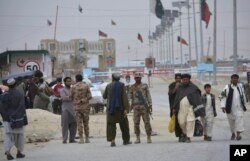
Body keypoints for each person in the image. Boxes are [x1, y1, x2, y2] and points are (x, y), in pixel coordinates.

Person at [0, 78, 28, 160]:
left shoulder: (3, 95)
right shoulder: (19, 94)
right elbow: (22, 107)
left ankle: (8, 153)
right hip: (18, 119)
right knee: (20, 136)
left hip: (7, 119)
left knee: (8, 136)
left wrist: (5, 117)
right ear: (15, 85)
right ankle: (19, 152)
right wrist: (20, 117)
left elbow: (2, 108)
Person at [172, 73, 204, 143]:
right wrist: (174, 108)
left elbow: (198, 99)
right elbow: (176, 98)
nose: (185, 81)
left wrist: (200, 110)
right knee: (181, 122)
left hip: (190, 108)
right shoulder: (180, 88)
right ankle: (184, 133)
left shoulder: (194, 88)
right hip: (181, 109)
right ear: (182, 80)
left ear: (189, 80)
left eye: (186, 79)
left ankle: (188, 137)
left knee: (190, 121)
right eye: (184, 80)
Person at [103, 73, 131, 147]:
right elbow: (124, 98)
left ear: (112, 78)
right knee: (124, 125)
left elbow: (104, 96)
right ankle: (126, 141)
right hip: (120, 109)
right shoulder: (122, 85)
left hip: (110, 110)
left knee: (111, 125)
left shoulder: (108, 86)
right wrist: (126, 109)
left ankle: (112, 141)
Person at [220, 74, 247, 140]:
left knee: (239, 121)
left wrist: (244, 105)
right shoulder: (227, 87)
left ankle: (238, 135)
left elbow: (243, 96)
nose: (235, 79)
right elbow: (222, 96)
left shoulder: (240, 87)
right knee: (231, 122)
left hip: (239, 108)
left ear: (238, 79)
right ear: (231, 79)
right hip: (230, 108)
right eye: (234, 78)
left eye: (236, 78)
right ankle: (233, 133)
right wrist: (223, 106)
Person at [129, 72, 153, 144]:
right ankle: (138, 138)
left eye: (139, 78)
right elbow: (129, 97)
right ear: (134, 78)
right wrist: (130, 105)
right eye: (136, 78)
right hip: (136, 107)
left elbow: (148, 95)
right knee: (136, 123)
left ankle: (148, 137)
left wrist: (150, 104)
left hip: (144, 106)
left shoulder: (145, 86)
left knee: (147, 122)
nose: (137, 79)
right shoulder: (132, 87)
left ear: (141, 78)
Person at [70, 74, 92, 144]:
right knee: (86, 123)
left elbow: (70, 97)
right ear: (82, 79)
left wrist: (76, 100)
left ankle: (81, 139)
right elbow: (90, 96)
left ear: (76, 79)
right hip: (85, 107)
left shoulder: (73, 87)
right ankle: (87, 138)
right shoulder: (86, 86)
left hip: (77, 108)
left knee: (79, 124)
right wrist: (83, 100)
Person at [60, 77, 77, 144]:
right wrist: (71, 97)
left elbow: (76, 97)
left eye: (70, 81)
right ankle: (64, 139)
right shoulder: (62, 90)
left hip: (73, 109)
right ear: (65, 82)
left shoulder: (73, 89)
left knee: (74, 124)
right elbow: (64, 98)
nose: (69, 83)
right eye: (67, 81)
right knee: (65, 125)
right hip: (65, 109)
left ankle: (72, 139)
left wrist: (70, 97)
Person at [168, 73, 184, 142]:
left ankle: (184, 134)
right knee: (177, 122)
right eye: (177, 78)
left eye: (179, 78)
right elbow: (170, 94)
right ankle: (179, 136)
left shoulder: (184, 85)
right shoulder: (172, 85)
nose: (178, 79)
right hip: (174, 106)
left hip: (183, 106)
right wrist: (176, 88)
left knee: (183, 121)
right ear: (175, 79)